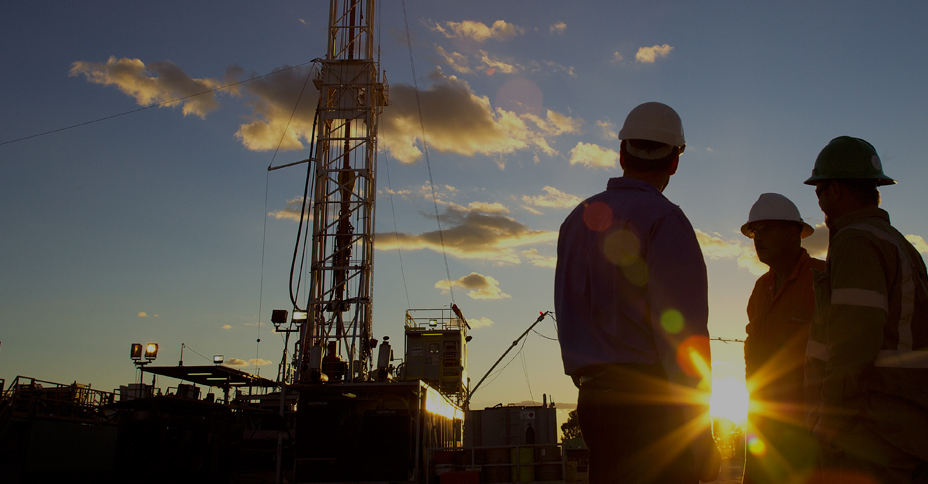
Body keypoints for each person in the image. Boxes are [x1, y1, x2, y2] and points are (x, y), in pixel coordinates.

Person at [555, 102, 720, 484]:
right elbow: (683, 338)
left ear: (621, 153)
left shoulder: (575, 222)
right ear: (674, 161)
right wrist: (700, 432)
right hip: (651, 410)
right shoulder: (666, 221)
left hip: (594, 403)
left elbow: (568, 313)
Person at [804, 136, 928, 483]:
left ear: (836, 189)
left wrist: (830, 420)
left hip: (873, 432)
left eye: (819, 190)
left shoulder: (856, 240)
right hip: (906, 428)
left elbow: (853, 344)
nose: (818, 200)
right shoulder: (898, 242)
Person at [740, 193, 824, 484]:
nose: (758, 238)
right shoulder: (761, 288)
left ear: (793, 233)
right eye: (754, 232)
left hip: (810, 427)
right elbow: (751, 346)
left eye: (766, 229)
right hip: (763, 422)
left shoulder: (824, 279)